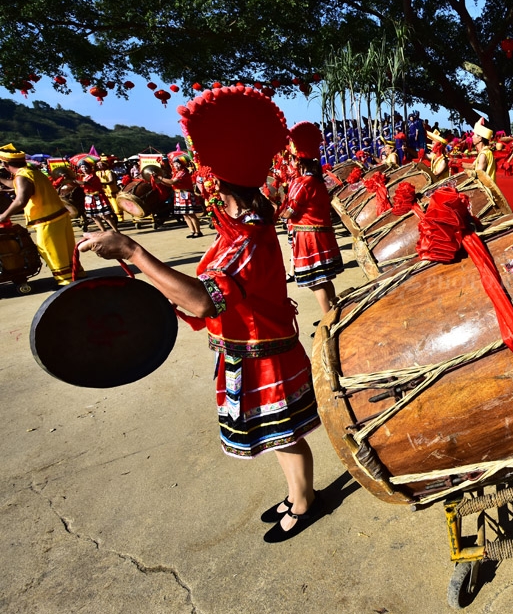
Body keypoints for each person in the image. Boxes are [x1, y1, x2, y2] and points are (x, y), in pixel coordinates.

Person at [79, 85, 324, 543]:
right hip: (242, 348)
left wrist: (133, 249)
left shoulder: (248, 239)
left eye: (206, 176)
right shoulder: (232, 234)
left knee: (283, 433)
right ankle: (297, 492)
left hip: (263, 352)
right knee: (271, 434)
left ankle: (306, 498)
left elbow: (203, 299)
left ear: (218, 186)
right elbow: (198, 297)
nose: (200, 182)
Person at [281, 121, 343, 315]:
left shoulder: (303, 183)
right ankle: (334, 311)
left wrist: (274, 206)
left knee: (316, 283)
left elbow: (290, 212)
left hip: (309, 237)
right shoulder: (316, 181)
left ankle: (329, 318)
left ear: (298, 162)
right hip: (320, 234)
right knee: (324, 279)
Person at [0, 143, 80, 285]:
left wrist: (3, 216)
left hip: (47, 219)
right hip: (59, 215)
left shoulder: (22, 177)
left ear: (6, 164)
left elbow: (21, 201)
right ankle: (77, 275)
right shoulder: (32, 171)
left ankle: (65, 282)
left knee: (51, 251)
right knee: (67, 249)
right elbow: (18, 186)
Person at [156, 153, 203, 238]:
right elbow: (170, 184)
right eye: (175, 164)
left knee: (191, 214)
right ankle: (192, 231)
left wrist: (160, 178)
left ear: (182, 165)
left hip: (186, 194)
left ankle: (198, 231)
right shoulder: (177, 173)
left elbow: (172, 182)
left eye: (177, 164)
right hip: (180, 194)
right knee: (185, 215)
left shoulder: (183, 173)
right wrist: (160, 181)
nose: (176, 166)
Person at [76, 157, 118, 232]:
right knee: (94, 217)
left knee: (105, 216)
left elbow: (86, 183)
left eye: (85, 167)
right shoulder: (82, 177)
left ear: (89, 168)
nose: (84, 169)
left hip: (98, 197)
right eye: (82, 167)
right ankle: (103, 231)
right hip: (89, 198)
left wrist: (73, 180)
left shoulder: (93, 176)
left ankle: (116, 231)